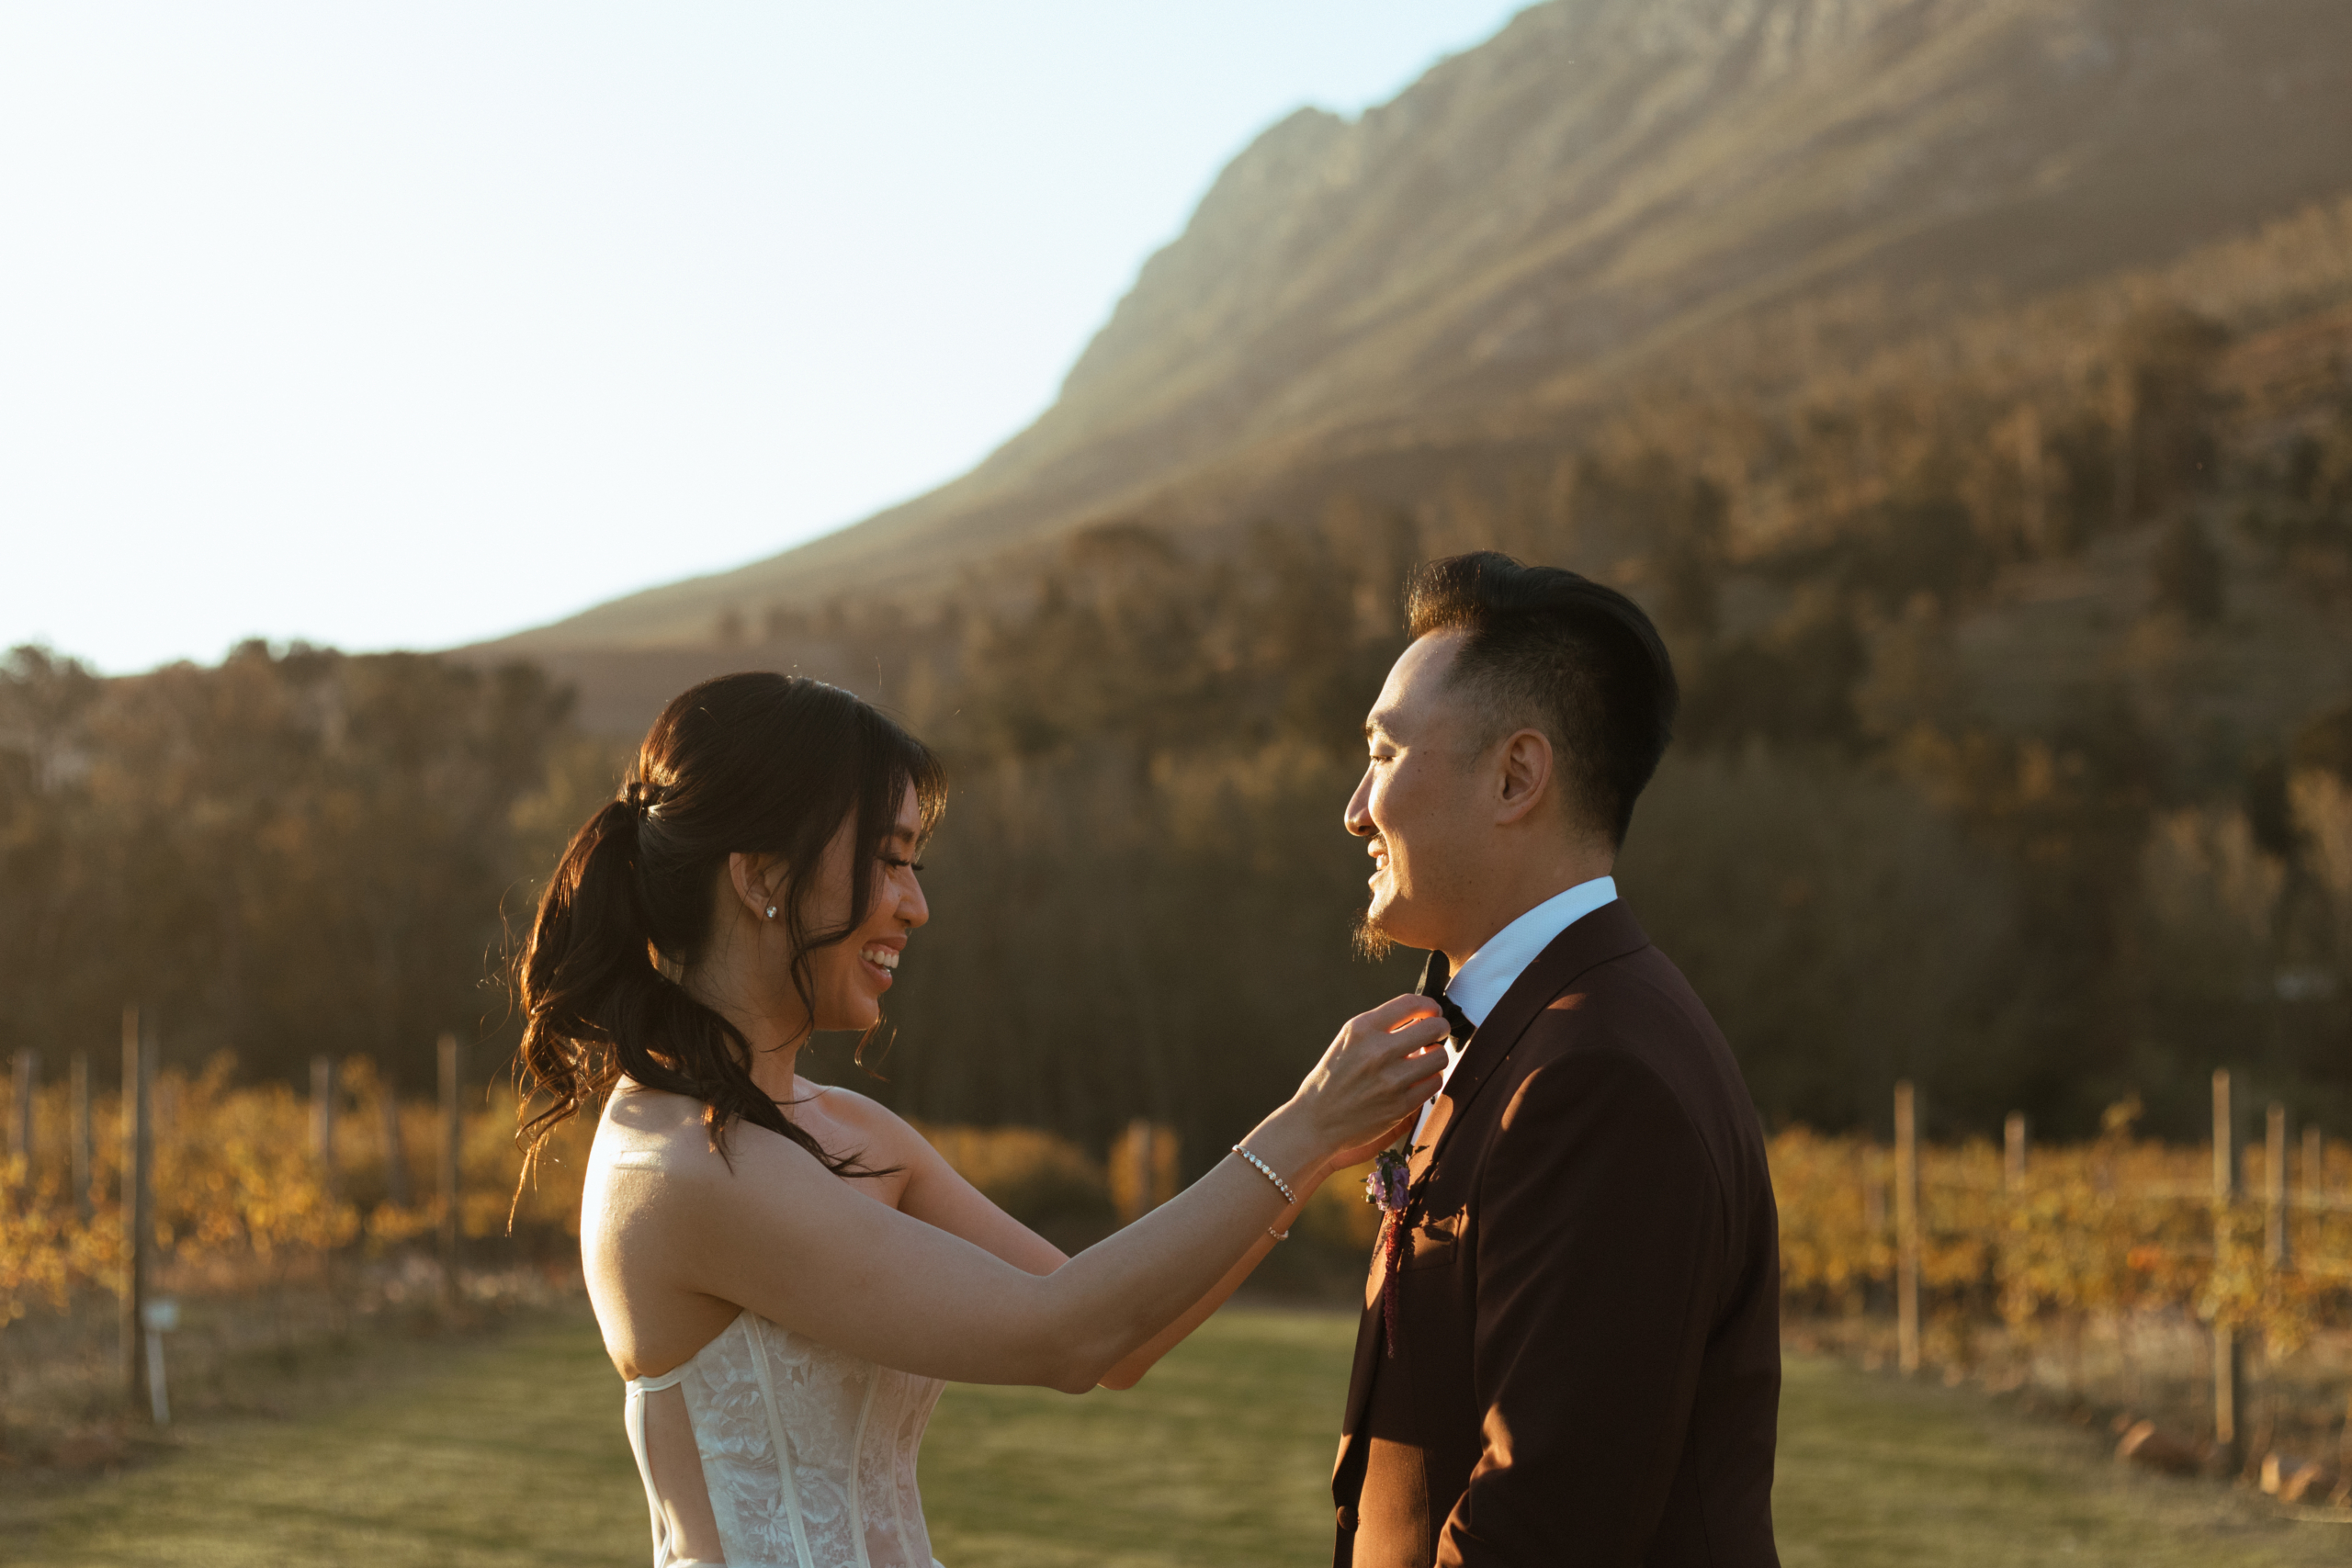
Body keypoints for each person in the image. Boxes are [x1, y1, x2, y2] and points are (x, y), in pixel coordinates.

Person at [514, 671, 1447, 1568]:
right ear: (761, 875)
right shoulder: (681, 1168)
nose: (916, 906)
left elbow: (1117, 1342)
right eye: (888, 860)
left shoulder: (851, 1133)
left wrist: (1315, 1155)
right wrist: (1302, 1126)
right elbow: (1064, 1335)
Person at [1331, 553, 1781, 1566]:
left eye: (1385, 754)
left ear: (1516, 777)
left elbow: (1544, 1521)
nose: (1356, 808)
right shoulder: (1528, 1029)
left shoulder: (1600, 1075)